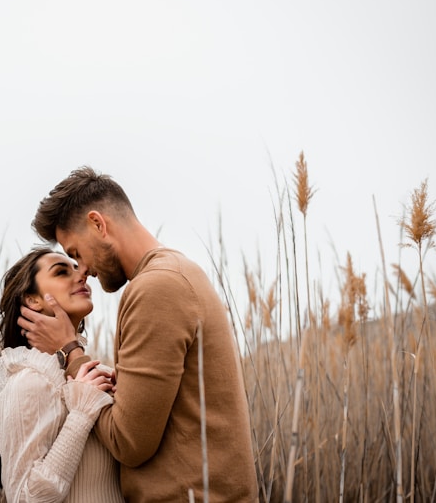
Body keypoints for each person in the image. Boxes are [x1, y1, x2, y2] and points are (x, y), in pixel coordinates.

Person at [18, 167, 259, 502]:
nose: (83, 270)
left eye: (75, 253)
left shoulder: (156, 288)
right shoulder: (176, 272)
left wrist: (71, 352)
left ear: (98, 224)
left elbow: (128, 443)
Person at [0, 246, 125, 503]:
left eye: (77, 268)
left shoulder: (86, 374)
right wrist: (81, 414)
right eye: (61, 272)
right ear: (33, 300)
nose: (82, 275)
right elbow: (26, 498)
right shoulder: (29, 382)